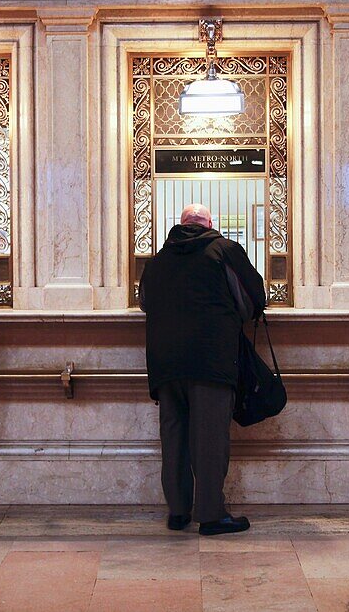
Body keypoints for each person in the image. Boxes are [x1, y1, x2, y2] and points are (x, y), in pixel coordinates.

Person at [138, 203, 266, 536]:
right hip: (210, 361)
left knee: (174, 437)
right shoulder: (224, 250)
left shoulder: (157, 262)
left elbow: (146, 303)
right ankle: (210, 514)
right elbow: (253, 299)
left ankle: (178, 512)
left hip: (166, 365)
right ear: (211, 223)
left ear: (180, 225)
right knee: (209, 440)